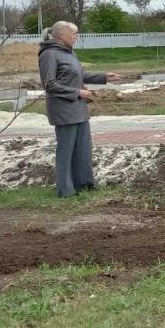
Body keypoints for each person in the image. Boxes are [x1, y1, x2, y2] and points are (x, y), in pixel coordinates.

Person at [37, 21, 121, 197]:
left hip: (79, 108)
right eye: (73, 33)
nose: (76, 36)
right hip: (63, 110)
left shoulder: (69, 53)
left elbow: (78, 75)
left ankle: (84, 183)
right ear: (61, 35)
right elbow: (49, 85)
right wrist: (78, 92)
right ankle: (65, 190)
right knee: (66, 151)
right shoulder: (49, 54)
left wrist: (104, 77)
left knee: (83, 149)